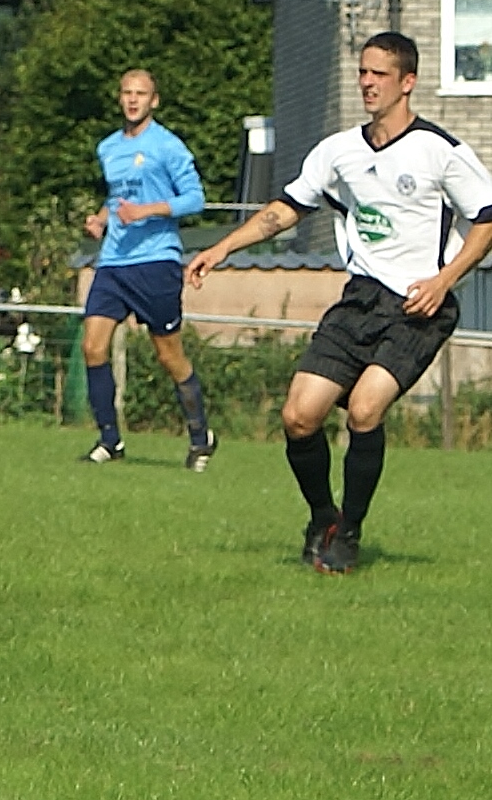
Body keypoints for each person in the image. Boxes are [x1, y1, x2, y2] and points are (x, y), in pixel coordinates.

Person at [188, 32, 492, 575]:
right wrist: (221, 248)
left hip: (419, 305)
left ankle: (348, 535)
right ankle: (322, 517)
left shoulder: (439, 150)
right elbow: (285, 209)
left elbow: (487, 219)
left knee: (365, 409)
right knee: (298, 416)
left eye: (379, 74)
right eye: (362, 72)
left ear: (408, 82)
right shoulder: (339, 152)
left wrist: (445, 280)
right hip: (359, 300)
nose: (367, 83)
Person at [77, 69, 214, 468]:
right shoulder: (108, 147)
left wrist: (147, 211)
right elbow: (118, 197)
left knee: (169, 356)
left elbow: (195, 199)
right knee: (92, 347)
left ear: (154, 101)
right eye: (127, 93)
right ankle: (110, 440)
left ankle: (200, 436)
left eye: (141, 94)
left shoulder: (167, 145)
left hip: (155, 261)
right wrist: (102, 219)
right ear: (119, 98)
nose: (133, 100)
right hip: (114, 261)